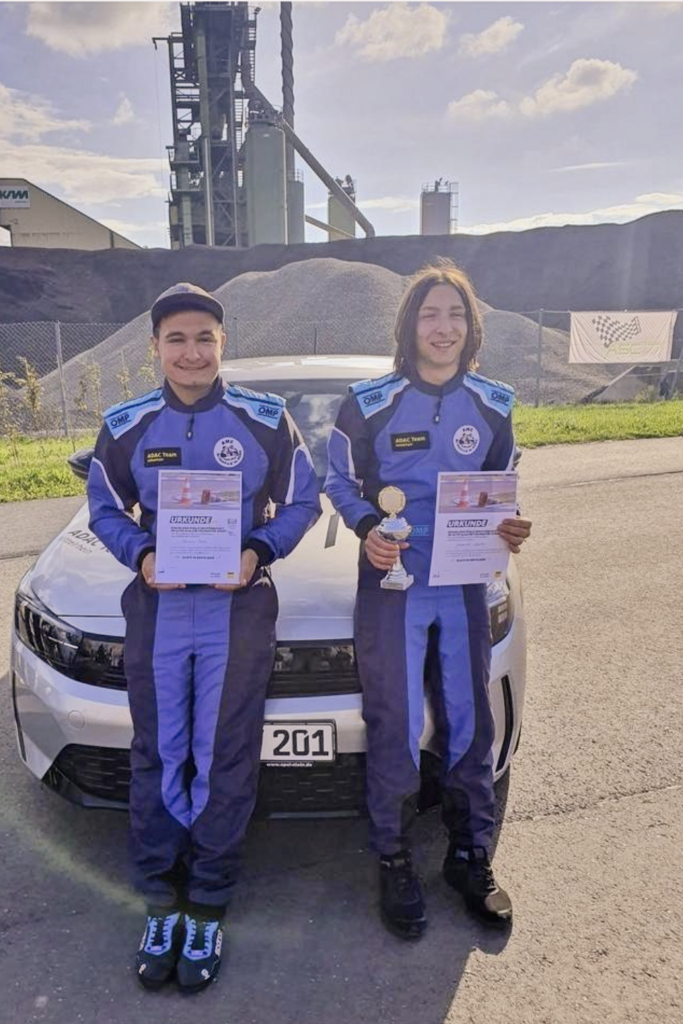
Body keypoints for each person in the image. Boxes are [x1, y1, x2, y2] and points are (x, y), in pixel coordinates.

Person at [87, 283, 320, 991]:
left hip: (235, 608)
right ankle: (161, 901)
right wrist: (141, 555)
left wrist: (257, 550)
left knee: (224, 753)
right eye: (177, 339)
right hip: (158, 610)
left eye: (204, 339)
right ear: (155, 347)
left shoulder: (265, 419)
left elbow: (303, 500)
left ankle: (209, 903)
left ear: (223, 343)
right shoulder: (126, 424)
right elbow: (104, 508)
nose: (191, 353)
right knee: (158, 751)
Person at [325, 261, 532, 939]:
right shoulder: (367, 402)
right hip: (394, 583)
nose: (443, 328)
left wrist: (510, 525)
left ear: (471, 326)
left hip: (465, 581)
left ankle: (470, 855)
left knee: (469, 718)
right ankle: (392, 857)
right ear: (408, 325)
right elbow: (339, 480)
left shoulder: (494, 404)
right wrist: (367, 528)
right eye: (429, 314)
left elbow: (502, 486)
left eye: (455, 314)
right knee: (396, 720)